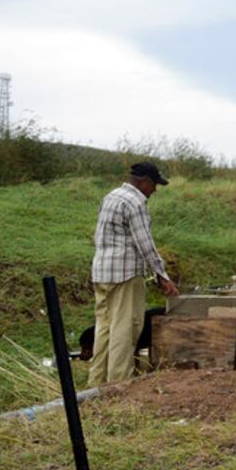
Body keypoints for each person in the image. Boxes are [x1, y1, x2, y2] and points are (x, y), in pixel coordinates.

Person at [90, 162, 180, 385]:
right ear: (144, 182)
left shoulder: (111, 196)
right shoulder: (135, 201)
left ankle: (96, 383)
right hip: (125, 275)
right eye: (154, 185)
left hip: (101, 272)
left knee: (104, 328)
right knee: (125, 329)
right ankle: (119, 384)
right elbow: (145, 243)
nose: (155, 191)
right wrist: (161, 274)